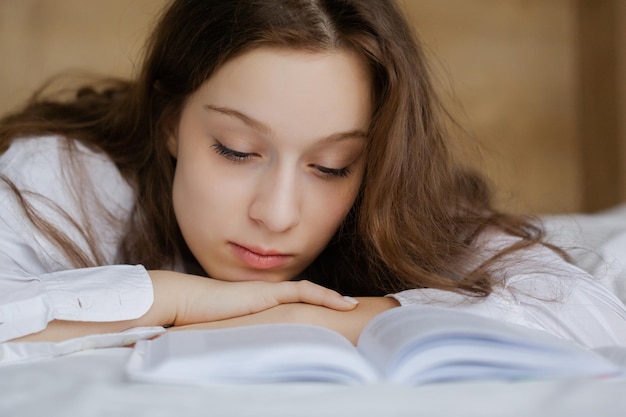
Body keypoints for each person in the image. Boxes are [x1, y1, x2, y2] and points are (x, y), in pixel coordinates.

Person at [1, 0, 624, 364]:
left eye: (331, 167)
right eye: (236, 150)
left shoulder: (393, 200)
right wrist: (178, 299)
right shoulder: (64, 175)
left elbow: (594, 320)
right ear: (170, 121)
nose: (277, 215)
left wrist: (314, 319)